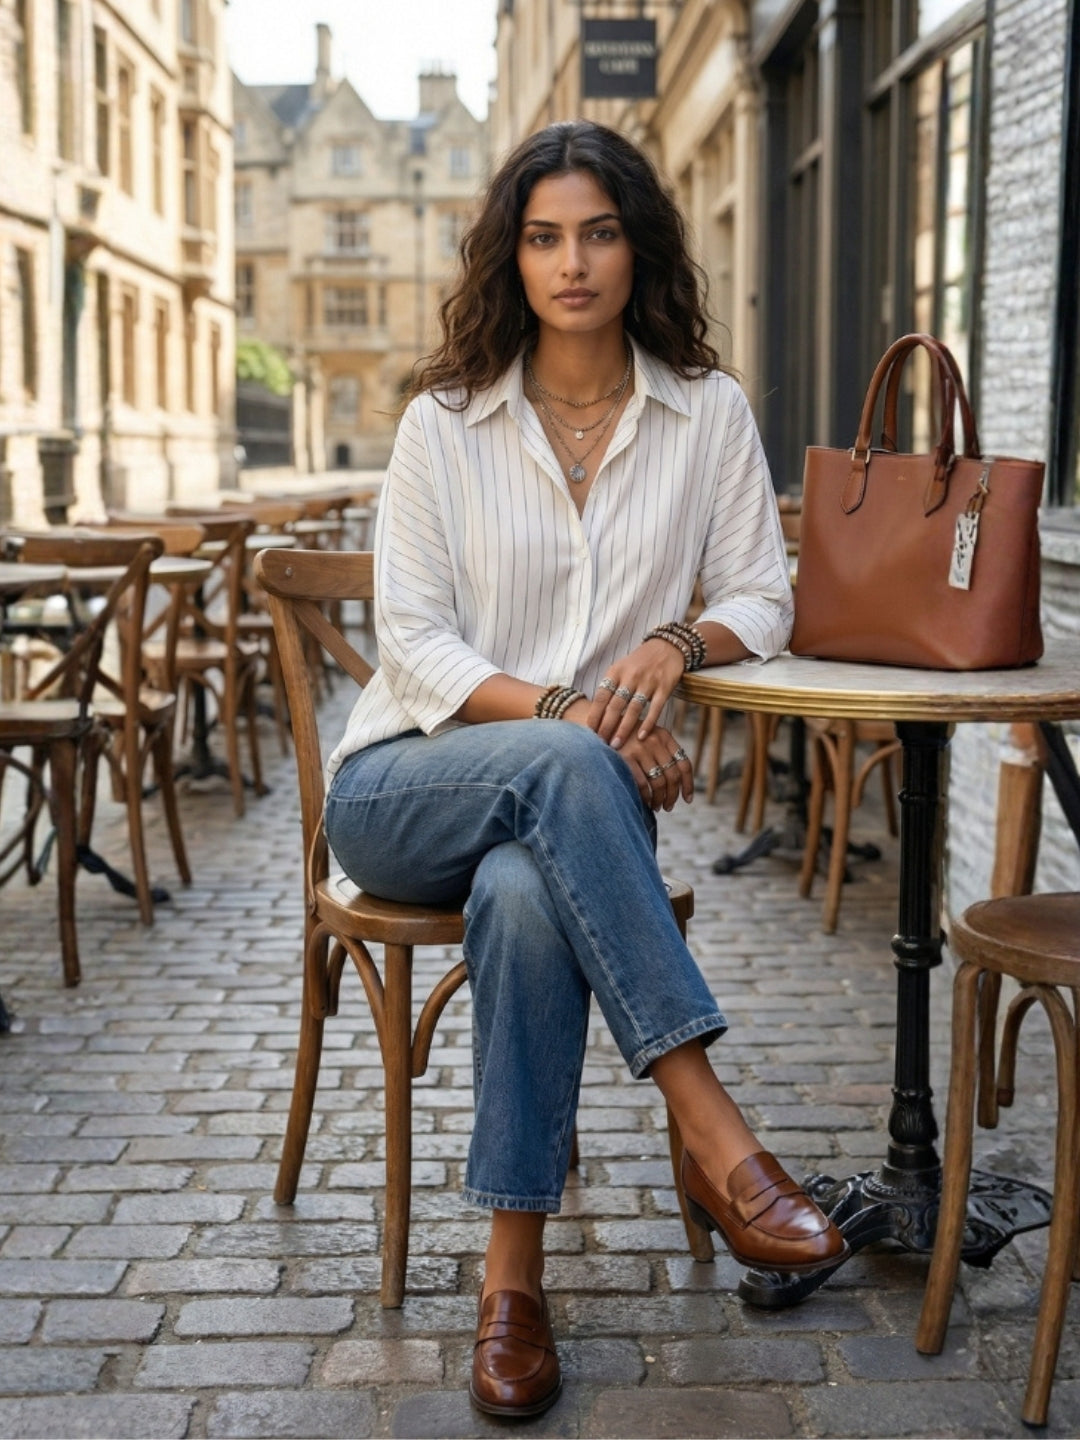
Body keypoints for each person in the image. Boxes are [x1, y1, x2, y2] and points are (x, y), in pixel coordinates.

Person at [324, 119, 846, 1419]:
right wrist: (584, 721)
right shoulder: (443, 424)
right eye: (545, 236)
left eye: (598, 232)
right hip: (403, 785)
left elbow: (761, 597)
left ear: (637, 246)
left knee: (518, 891)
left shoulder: (704, 412)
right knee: (557, 768)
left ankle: (512, 1288)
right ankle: (716, 1136)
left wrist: (672, 649)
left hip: (570, 821)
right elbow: (418, 644)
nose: (572, 262)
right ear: (512, 254)